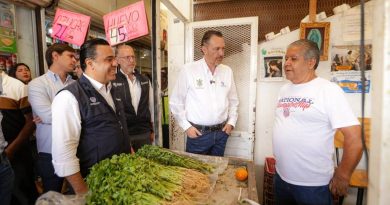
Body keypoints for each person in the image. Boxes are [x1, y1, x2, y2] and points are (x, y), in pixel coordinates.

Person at [272, 39, 363, 205]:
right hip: (281, 178)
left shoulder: (328, 90)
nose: (286, 63)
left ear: (311, 62)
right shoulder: (284, 90)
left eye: (293, 59)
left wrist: (343, 175)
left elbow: (355, 138)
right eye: (286, 58)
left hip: (312, 186)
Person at [51, 38, 130, 195]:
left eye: (114, 58)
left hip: (121, 180)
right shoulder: (69, 97)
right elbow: (64, 154)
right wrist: (84, 193)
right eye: (109, 59)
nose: (115, 63)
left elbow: (120, 128)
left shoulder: (113, 91)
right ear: (90, 63)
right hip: (96, 185)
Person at [170, 30, 239, 156]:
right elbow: (175, 102)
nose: (221, 53)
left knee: (217, 171)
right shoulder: (189, 70)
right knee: (195, 173)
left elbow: (233, 101)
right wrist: (187, 127)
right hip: (198, 135)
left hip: (221, 134)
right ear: (204, 49)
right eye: (217, 49)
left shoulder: (227, 71)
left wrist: (231, 122)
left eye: (223, 49)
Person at [28, 43, 76, 193]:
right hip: (50, 151)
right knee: (52, 195)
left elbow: (86, 114)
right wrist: (73, 115)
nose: (74, 60)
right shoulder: (37, 84)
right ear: (55, 56)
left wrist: (53, 114)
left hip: (76, 148)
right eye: (70, 56)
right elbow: (47, 116)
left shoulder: (76, 84)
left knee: (77, 194)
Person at [0, 69, 35, 204]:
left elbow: (31, 122)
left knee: (21, 194)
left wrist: (10, 151)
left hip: (16, 153)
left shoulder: (16, 86)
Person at [113, 44, 154, 152]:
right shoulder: (112, 81)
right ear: (117, 60)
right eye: (127, 57)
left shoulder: (144, 80)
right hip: (125, 134)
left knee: (148, 163)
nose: (131, 60)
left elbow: (151, 106)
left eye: (133, 57)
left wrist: (153, 130)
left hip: (144, 133)